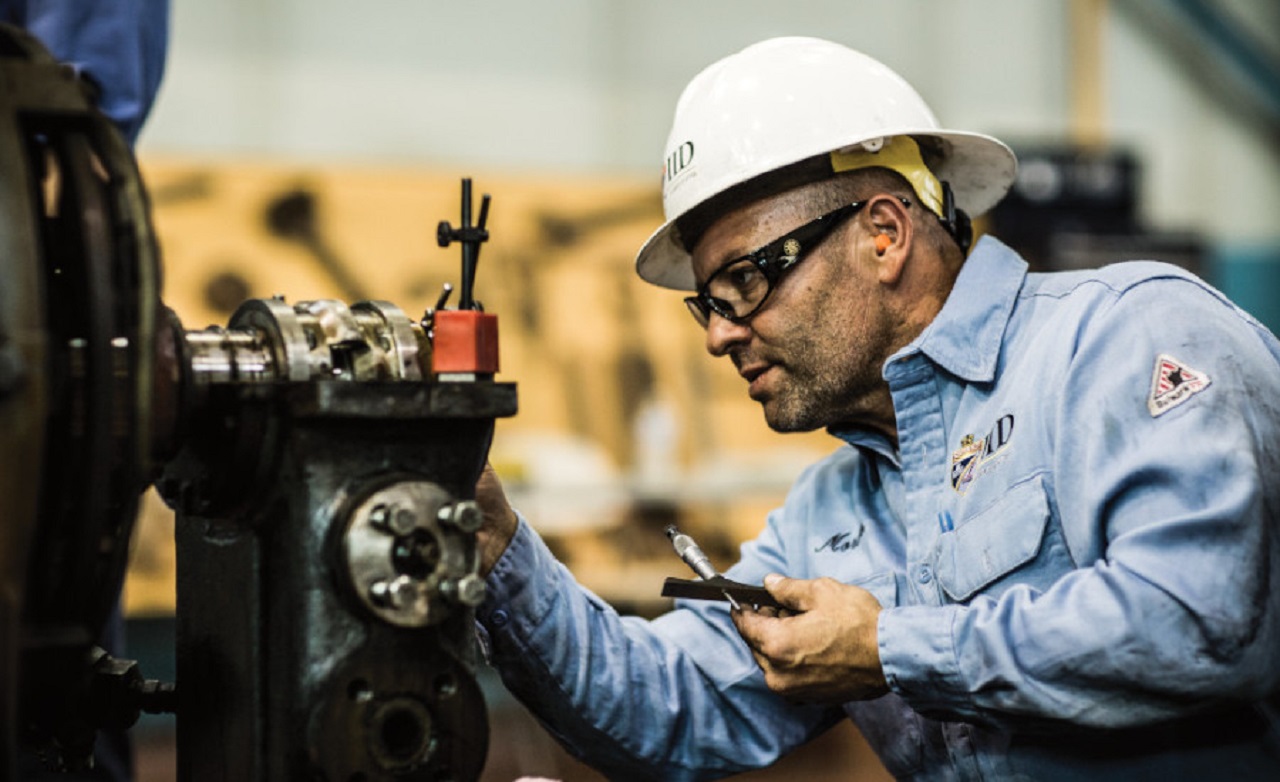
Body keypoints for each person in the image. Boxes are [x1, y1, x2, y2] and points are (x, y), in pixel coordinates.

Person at [473, 36, 1280, 780]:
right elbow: (664, 707)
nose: (719, 336)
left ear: (885, 233)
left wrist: (889, 649)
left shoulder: (1127, 338)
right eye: (707, 304)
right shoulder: (829, 511)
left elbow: (1201, 618)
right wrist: (497, 546)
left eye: (747, 282)